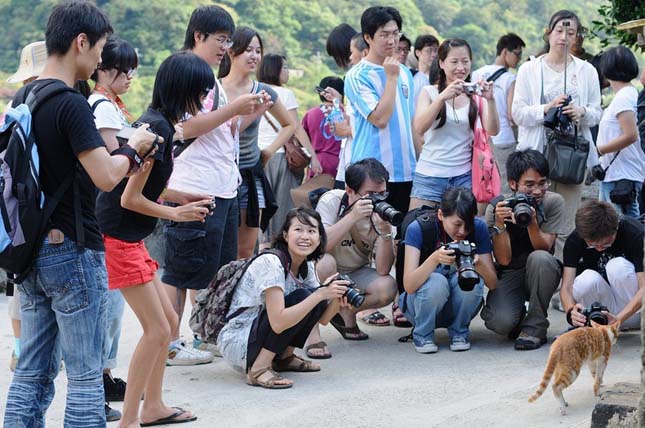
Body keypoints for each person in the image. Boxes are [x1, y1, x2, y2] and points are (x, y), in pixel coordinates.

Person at [3, 2, 157, 426]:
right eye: (99, 50)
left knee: (32, 370)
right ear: (81, 42)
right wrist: (134, 148)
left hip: (30, 251)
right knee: (87, 375)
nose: (100, 61)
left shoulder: (25, 95)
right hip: (73, 250)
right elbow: (106, 176)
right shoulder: (71, 103)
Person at [98, 51, 216, 427]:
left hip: (129, 235)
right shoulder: (157, 130)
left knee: (165, 319)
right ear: (184, 91)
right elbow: (129, 198)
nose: (202, 101)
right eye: (200, 93)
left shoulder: (159, 124)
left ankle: (153, 406)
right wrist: (177, 213)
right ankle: (130, 419)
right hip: (117, 236)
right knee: (159, 329)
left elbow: (146, 187)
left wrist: (182, 198)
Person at [162, 6, 263, 365]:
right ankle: (169, 342)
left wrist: (246, 113)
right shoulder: (186, 72)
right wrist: (235, 108)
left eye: (227, 40)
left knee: (211, 269)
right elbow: (185, 128)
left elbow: (220, 133)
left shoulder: (210, 78)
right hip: (193, 185)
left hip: (221, 185)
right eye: (221, 39)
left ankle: (200, 336)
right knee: (180, 270)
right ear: (199, 36)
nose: (225, 47)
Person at [217, 208, 350, 389]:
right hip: (240, 341)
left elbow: (324, 319)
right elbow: (278, 322)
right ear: (286, 235)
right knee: (307, 296)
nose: (305, 236)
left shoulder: (307, 265)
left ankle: (284, 358)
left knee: (311, 297)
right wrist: (320, 294)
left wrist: (333, 296)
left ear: (319, 239)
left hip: (259, 335)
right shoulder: (271, 263)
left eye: (311, 231)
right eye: (298, 230)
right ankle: (258, 369)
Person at [512, 10, 602, 260]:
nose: (564, 37)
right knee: (531, 216)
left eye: (571, 32)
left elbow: (597, 112)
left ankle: (564, 280)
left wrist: (581, 112)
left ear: (576, 38)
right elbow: (517, 113)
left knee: (567, 222)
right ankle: (534, 274)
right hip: (536, 156)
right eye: (559, 31)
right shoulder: (530, 69)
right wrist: (547, 109)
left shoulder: (587, 71)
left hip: (571, 157)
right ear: (548, 33)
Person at [87, 35, 139, 420]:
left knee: (112, 305)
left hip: (106, 214)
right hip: (105, 213)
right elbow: (112, 158)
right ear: (104, 69)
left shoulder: (111, 106)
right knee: (105, 306)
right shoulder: (102, 107)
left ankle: (104, 375)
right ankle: (95, 385)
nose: (131, 78)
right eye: (126, 71)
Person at [218, 27, 297, 259]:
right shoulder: (215, 88)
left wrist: (269, 151)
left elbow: (289, 124)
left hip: (250, 177)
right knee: (220, 248)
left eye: (258, 51)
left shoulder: (262, 91)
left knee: (245, 250)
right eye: (248, 50)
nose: (254, 56)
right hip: (219, 174)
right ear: (231, 52)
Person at [480, 150, 565, 350]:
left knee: (540, 258)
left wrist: (532, 222)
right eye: (529, 185)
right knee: (500, 322)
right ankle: (518, 319)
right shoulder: (498, 207)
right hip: (512, 269)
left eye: (542, 183)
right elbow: (504, 259)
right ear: (513, 184)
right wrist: (500, 225)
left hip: (542, 270)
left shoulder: (553, 202)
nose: (537, 191)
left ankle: (535, 327)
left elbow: (545, 247)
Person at [400, 187, 497, 353]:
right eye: (457, 224)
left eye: (469, 224)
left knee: (473, 279)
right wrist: (435, 259)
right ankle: (422, 334)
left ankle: (459, 332)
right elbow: (408, 285)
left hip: (456, 304)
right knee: (437, 281)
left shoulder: (479, 228)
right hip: (419, 304)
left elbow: (493, 283)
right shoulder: (419, 228)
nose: (463, 231)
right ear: (440, 215)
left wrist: (478, 263)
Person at [314, 159, 398, 344]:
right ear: (350, 190)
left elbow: (383, 270)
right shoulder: (332, 201)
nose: (377, 200)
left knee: (387, 287)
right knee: (325, 261)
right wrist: (352, 216)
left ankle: (345, 311)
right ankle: (320, 324)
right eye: (370, 195)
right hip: (326, 271)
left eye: (382, 194)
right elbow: (320, 246)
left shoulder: (382, 214)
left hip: (355, 273)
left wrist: (385, 233)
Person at [344, 6, 417, 215]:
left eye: (395, 34)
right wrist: (391, 78)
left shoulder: (404, 72)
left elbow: (409, 123)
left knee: (400, 237)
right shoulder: (358, 75)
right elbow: (380, 118)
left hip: (406, 171)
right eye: (384, 35)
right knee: (370, 235)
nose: (391, 40)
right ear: (368, 37)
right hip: (371, 175)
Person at [411, 38, 499, 209]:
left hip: (463, 177)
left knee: (462, 232)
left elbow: (493, 130)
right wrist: (442, 97)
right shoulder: (429, 92)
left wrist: (490, 100)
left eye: (465, 61)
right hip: (429, 175)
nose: (461, 67)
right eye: (454, 61)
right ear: (442, 63)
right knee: (418, 227)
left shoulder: (475, 97)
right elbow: (420, 128)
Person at [3, 40, 46, 374]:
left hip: (16, 214)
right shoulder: (43, 105)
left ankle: (22, 348)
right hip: (31, 212)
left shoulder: (16, 106)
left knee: (20, 285)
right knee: (22, 287)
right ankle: (23, 348)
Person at [257, 53, 321, 248]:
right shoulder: (285, 94)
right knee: (282, 208)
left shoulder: (255, 90)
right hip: (281, 157)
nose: (287, 72)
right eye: (284, 67)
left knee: (260, 208)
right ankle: (278, 249)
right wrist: (313, 156)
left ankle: (260, 247)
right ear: (275, 70)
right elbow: (295, 127)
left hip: (258, 156)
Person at [561, 200, 643, 330]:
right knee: (585, 279)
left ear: (616, 227)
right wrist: (570, 311)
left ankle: (627, 320)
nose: (599, 248)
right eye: (592, 244)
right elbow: (566, 287)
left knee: (617, 266)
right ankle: (595, 322)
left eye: (606, 243)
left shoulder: (635, 233)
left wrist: (620, 319)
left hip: (637, 309)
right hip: (608, 314)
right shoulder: (575, 239)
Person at [471, 33, 526, 194]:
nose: (519, 58)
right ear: (504, 52)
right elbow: (511, 115)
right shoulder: (510, 79)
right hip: (503, 138)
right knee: (503, 185)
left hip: (480, 138)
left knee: (482, 184)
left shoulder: (476, 74)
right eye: (517, 53)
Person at [595, 46, 644, 218]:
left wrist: (599, 150)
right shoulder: (629, 94)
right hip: (618, 172)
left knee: (622, 229)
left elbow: (631, 135)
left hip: (621, 175)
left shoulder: (624, 97)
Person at [302, 76, 345, 178]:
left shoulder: (311, 114)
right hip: (340, 162)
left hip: (316, 162)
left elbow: (302, 139)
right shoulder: (345, 113)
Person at [411, 35, 439, 105]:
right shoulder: (410, 76)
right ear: (418, 52)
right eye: (429, 51)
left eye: (436, 51)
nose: (433, 55)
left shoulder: (440, 78)